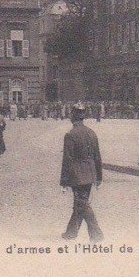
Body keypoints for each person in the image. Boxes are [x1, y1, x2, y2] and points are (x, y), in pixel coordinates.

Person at [60, 102, 104, 241]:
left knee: (82, 204)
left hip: (77, 174)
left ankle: (96, 234)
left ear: (73, 116)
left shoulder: (70, 135)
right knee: (80, 203)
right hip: (90, 173)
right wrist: (98, 177)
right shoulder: (92, 133)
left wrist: (64, 181)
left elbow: (67, 159)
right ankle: (71, 232)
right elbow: (97, 156)